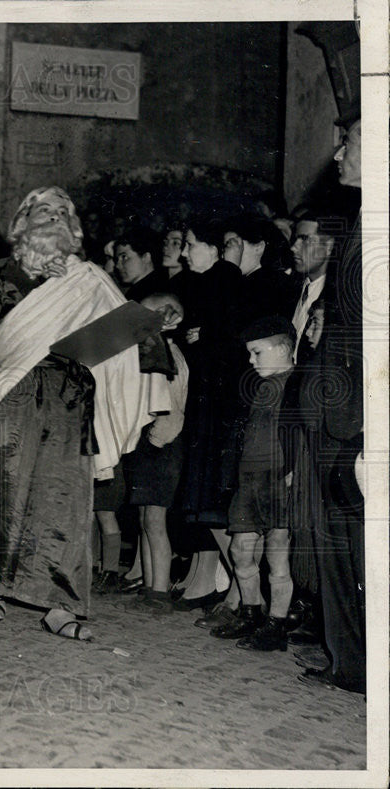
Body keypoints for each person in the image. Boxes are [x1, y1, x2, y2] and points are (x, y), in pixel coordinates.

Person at [0, 186, 165, 641]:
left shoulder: (89, 277)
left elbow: (136, 336)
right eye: (43, 211)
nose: (53, 217)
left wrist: (147, 324)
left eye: (61, 211)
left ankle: (58, 604)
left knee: (65, 503)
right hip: (15, 390)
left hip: (71, 395)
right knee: (5, 492)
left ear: (72, 227)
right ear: (23, 223)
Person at [299, 114, 365, 694]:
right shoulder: (363, 217)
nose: (339, 151)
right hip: (338, 410)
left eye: (350, 142)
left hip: (362, 417)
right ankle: (350, 664)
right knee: (338, 542)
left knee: (363, 545)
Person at [170, 220, 244, 614]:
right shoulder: (206, 282)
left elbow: (231, 342)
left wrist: (205, 338)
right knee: (201, 501)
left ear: (216, 249)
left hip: (219, 413)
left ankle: (243, 592)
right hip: (204, 408)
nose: (184, 253)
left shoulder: (226, 280)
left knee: (213, 500)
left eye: (191, 245)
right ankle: (213, 584)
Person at [210, 317, 297, 650]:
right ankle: (251, 614)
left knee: (278, 556)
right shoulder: (263, 386)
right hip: (251, 481)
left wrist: (293, 476)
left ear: (280, 348)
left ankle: (276, 626)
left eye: (256, 352)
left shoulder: (297, 383)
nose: (251, 360)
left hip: (279, 480)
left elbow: (303, 438)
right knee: (240, 551)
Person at [123, 293, 189, 615]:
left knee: (155, 521)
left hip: (162, 446)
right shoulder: (152, 354)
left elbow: (173, 412)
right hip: (148, 445)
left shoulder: (170, 357)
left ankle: (160, 593)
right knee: (144, 519)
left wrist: (156, 440)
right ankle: (150, 587)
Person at [289, 213, 336, 361]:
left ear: (329, 246)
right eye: (295, 239)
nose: (293, 247)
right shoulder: (290, 288)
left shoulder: (336, 300)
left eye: (305, 239)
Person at [114, 226, 169, 303]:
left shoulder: (151, 295)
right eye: (117, 259)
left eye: (124, 257)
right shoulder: (138, 291)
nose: (118, 265)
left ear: (146, 257)